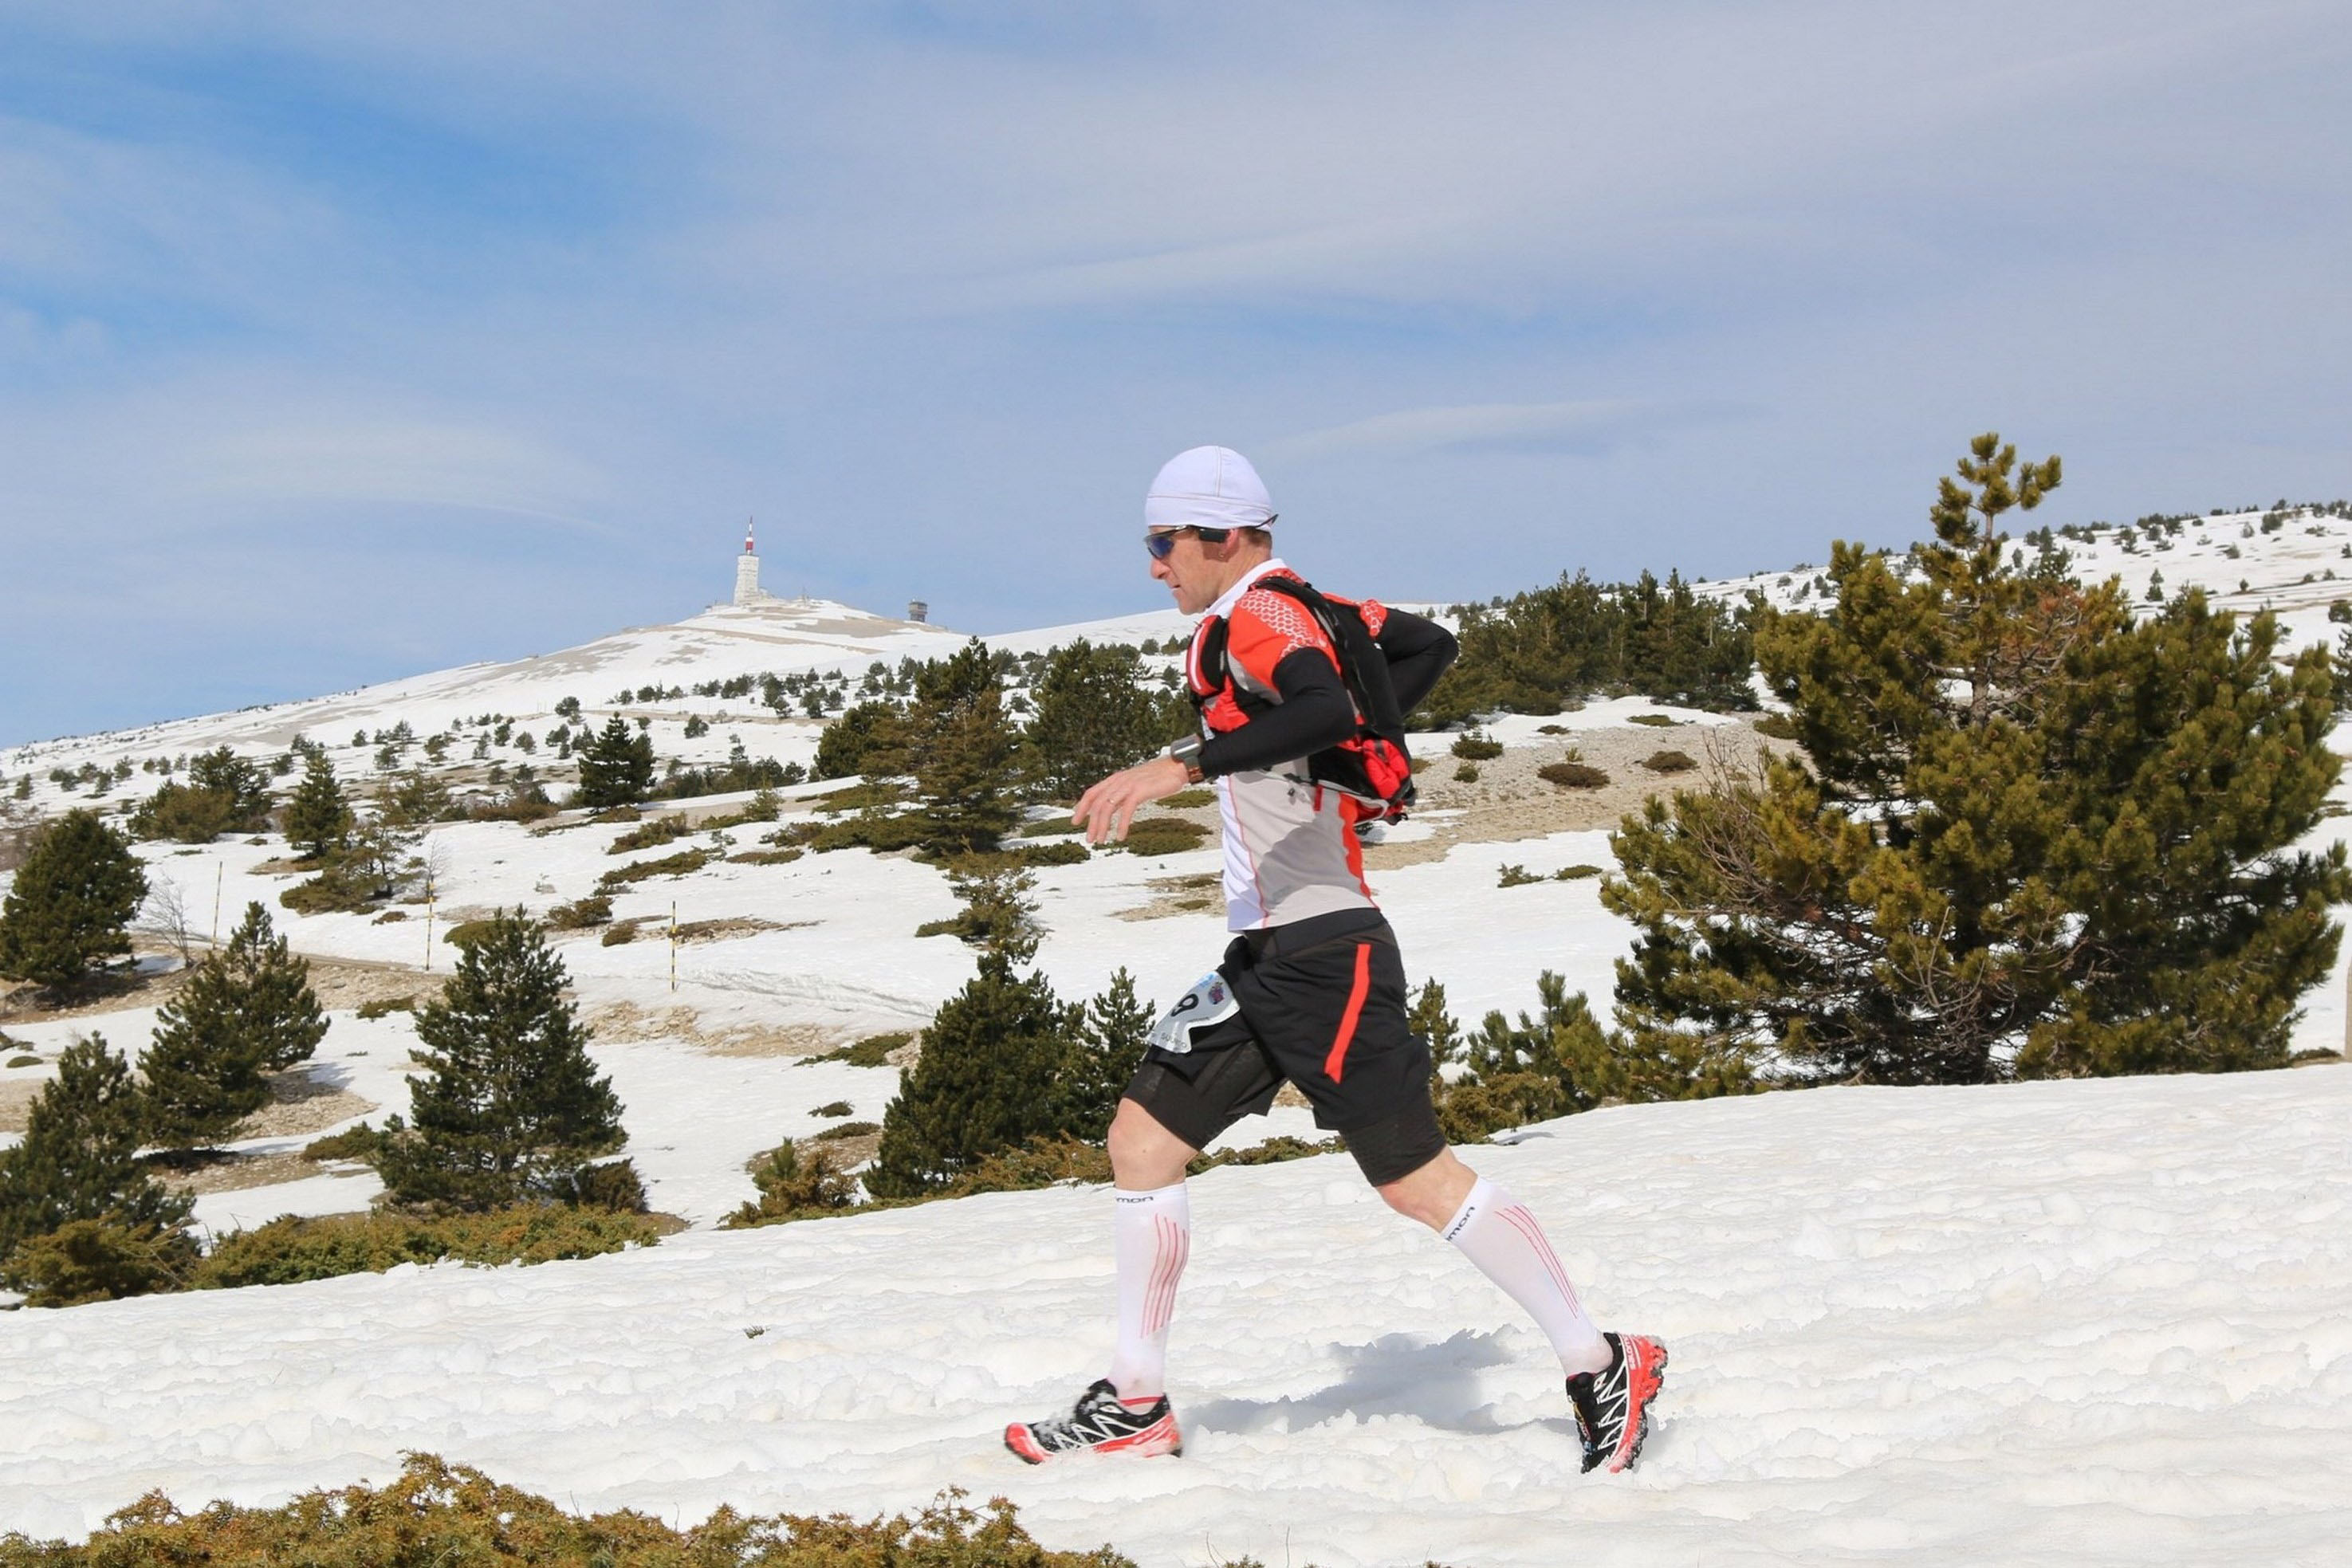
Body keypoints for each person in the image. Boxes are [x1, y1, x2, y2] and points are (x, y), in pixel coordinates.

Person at [1004, 446, 1667, 1475]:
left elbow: (1319, 705)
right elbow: (1427, 645)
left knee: (1416, 1181)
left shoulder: (1260, 615)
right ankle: (1135, 1403)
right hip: (1267, 952)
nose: (1154, 564)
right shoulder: (1301, 608)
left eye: (1164, 541)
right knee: (1142, 1142)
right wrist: (1345, 742)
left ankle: (1601, 1360)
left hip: (1326, 953)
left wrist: (1184, 764)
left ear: (1225, 537)